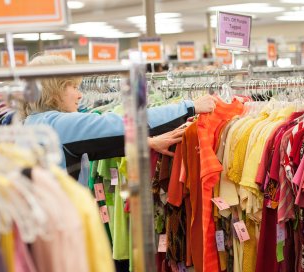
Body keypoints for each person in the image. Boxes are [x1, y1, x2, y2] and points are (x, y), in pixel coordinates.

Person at [21, 55, 216, 179]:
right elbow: (123, 124)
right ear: (54, 90)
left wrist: (147, 142)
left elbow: (96, 148)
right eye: (73, 87)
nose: (80, 95)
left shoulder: (33, 123)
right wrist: (189, 107)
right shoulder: (59, 125)